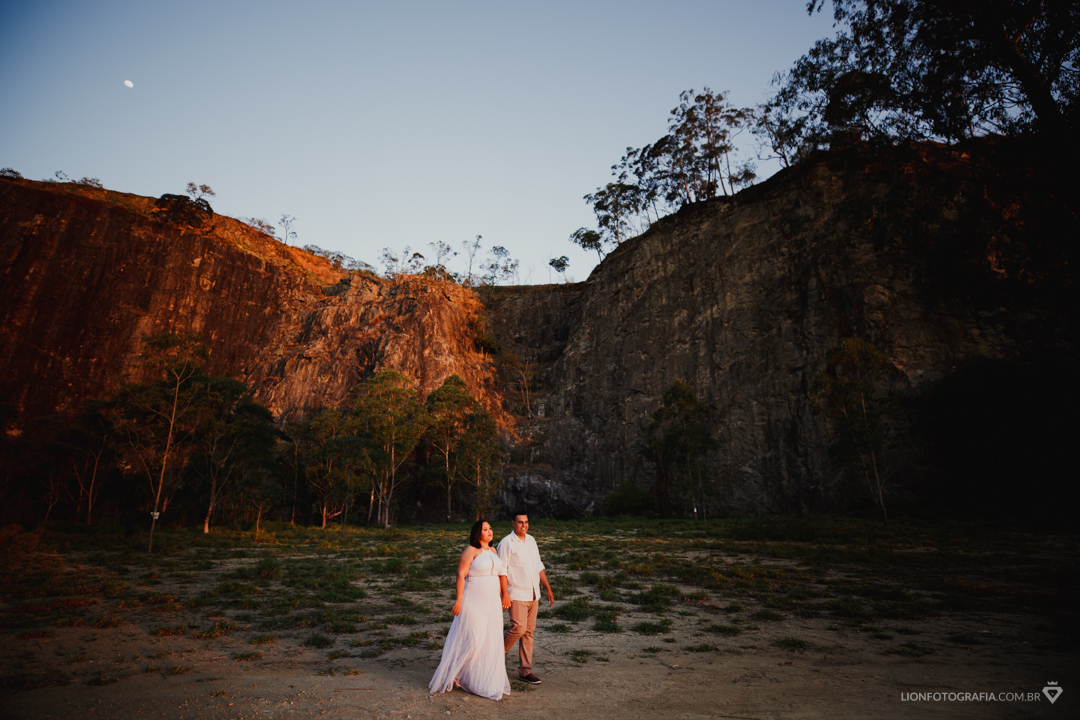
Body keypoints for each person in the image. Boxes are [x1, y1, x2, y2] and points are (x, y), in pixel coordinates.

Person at [429, 520, 512, 701]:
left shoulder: (494, 551)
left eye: (490, 528)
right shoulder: (471, 551)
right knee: (473, 637)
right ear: (477, 534)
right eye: (485, 529)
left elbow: (501, 574)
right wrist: (459, 600)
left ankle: (480, 679)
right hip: (473, 599)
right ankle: (455, 672)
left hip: (492, 602)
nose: (489, 531)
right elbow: (461, 575)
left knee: (490, 638)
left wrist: (505, 594)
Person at [498, 512, 555, 685]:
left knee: (529, 632)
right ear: (513, 523)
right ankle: (493, 655)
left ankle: (525, 671)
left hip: (533, 593)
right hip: (516, 593)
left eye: (526, 522)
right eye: (520, 522)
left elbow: (538, 566)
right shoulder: (506, 543)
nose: (524, 525)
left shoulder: (531, 540)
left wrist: (548, 588)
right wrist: (505, 595)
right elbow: (502, 571)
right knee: (518, 628)